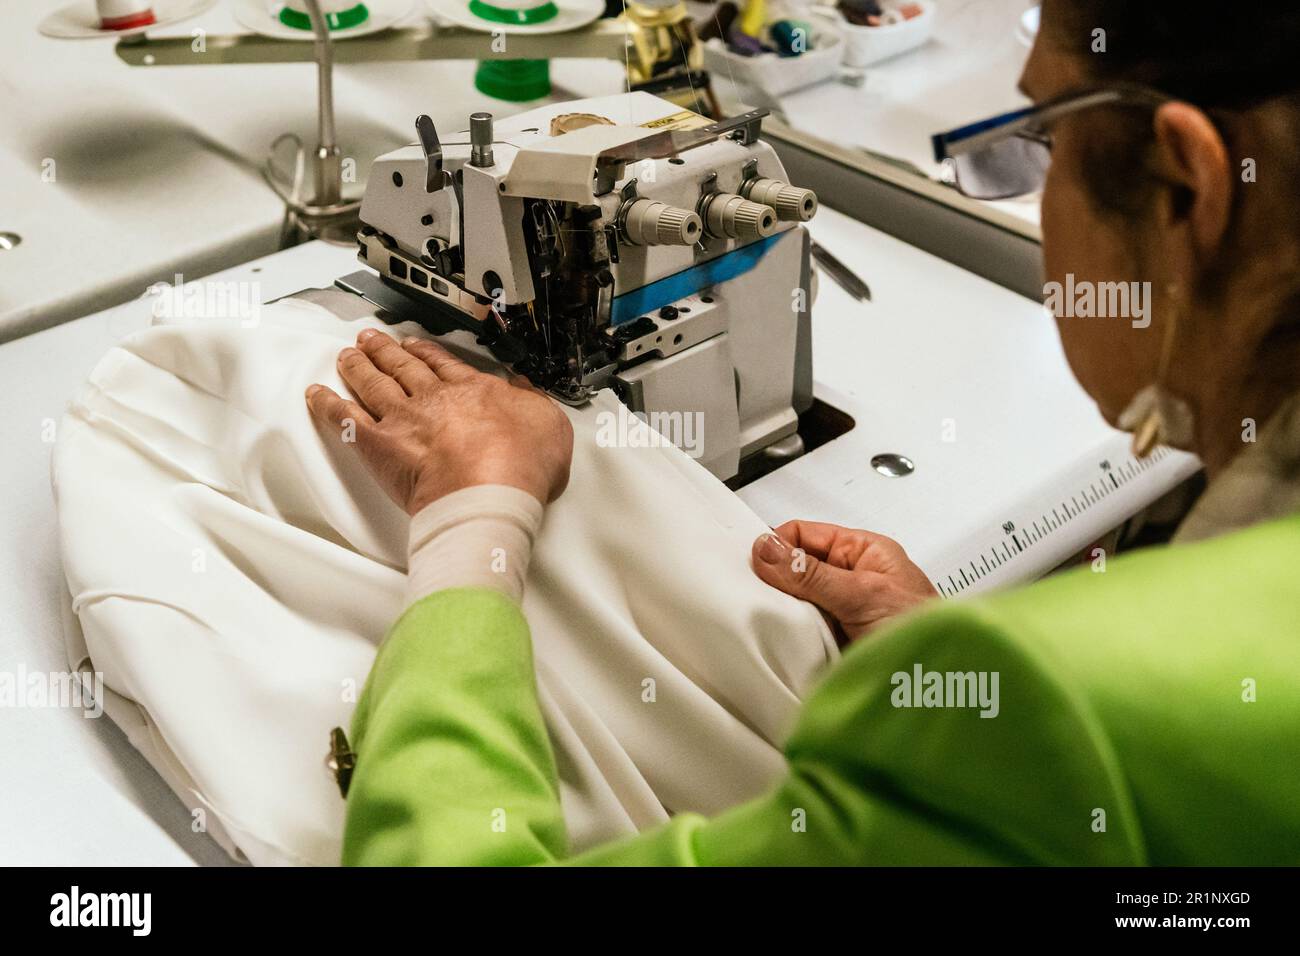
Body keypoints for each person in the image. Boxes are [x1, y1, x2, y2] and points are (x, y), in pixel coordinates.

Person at [305, 0, 1300, 864]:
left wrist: (469, 512)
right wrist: (939, 669)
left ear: (1187, 191)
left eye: (1037, 145)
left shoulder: (1072, 705)